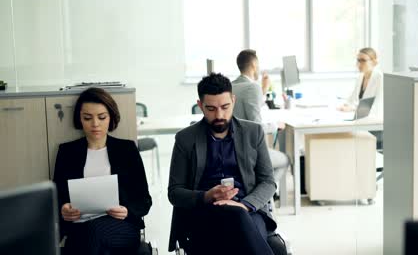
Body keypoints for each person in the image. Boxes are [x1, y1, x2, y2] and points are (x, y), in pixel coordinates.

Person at [168, 73, 277, 255]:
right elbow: (175, 192)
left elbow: (268, 181)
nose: (219, 115)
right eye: (211, 109)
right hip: (204, 213)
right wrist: (207, 196)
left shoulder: (253, 132)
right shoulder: (185, 139)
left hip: (247, 208)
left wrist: (244, 205)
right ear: (200, 105)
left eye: (225, 107)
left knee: (238, 217)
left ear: (233, 101)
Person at [53, 87, 152, 255]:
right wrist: (63, 208)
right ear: (80, 119)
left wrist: (126, 210)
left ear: (110, 117)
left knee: (93, 233)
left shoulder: (126, 150)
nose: (95, 124)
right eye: (87, 118)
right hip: (79, 227)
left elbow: (143, 200)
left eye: (102, 117)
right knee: (95, 241)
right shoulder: (67, 152)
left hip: (121, 227)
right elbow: (56, 197)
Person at [232, 49, 285, 133]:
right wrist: (276, 125)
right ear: (254, 65)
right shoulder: (252, 87)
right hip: (248, 142)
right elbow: (256, 128)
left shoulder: (231, 85)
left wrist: (263, 90)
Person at [338, 47, 383, 120]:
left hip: (374, 121)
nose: (359, 64)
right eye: (358, 60)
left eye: (363, 60)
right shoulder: (361, 77)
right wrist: (345, 106)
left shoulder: (380, 78)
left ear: (374, 62)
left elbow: (377, 106)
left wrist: (352, 109)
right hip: (360, 118)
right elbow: (352, 99)